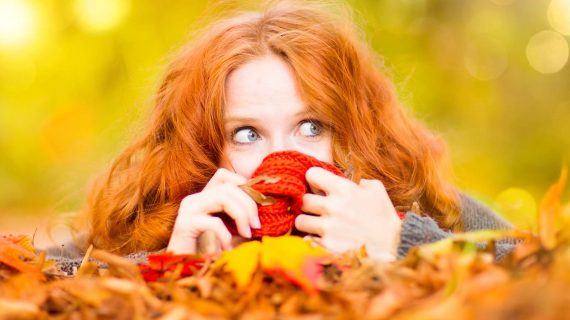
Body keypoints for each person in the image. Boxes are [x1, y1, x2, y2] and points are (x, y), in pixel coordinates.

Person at [67, 0, 514, 263]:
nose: (279, 159)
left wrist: (403, 245)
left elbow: (545, 270)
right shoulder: (169, 213)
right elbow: (29, 277)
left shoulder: (409, 201)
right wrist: (165, 266)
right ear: (204, 147)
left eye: (310, 127)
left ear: (354, 132)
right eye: (246, 134)